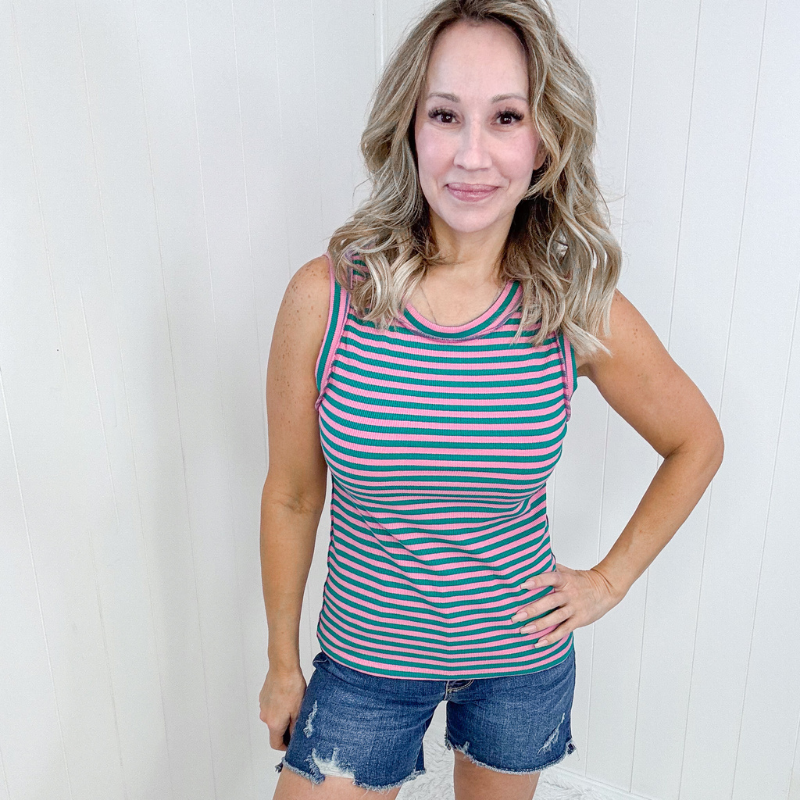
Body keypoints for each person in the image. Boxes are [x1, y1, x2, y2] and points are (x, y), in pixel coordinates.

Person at [259, 1, 724, 798]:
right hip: (366, 665)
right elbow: (295, 495)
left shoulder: (574, 309)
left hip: (519, 663)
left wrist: (607, 581)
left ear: (544, 140)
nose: (471, 154)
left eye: (506, 117)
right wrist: (280, 663)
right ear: (410, 128)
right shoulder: (326, 297)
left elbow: (697, 441)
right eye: (445, 115)